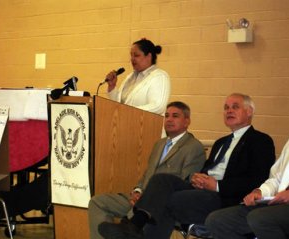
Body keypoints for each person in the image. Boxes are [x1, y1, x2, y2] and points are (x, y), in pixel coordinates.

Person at [98, 93, 276, 239]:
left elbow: (257, 179)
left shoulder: (260, 141)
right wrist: (195, 177)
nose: (229, 111)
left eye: (235, 107)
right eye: (226, 108)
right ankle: (133, 226)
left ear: (250, 111)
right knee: (161, 180)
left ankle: (133, 228)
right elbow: (206, 169)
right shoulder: (221, 142)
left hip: (224, 197)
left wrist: (217, 185)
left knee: (169, 200)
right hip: (202, 190)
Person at [88, 101, 205, 239]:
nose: (169, 119)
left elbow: (185, 184)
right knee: (97, 202)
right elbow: (147, 174)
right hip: (140, 198)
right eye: (167, 116)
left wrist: (148, 198)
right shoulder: (159, 144)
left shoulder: (193, 147)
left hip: (159, 206)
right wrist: (137, 191)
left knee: (138, 216)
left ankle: (129, 226)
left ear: (187, 121)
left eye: (175, 116)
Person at [205, 86, 289, 239]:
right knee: (217, 220)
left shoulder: (261, 141)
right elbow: (276, 177)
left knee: (260, 219)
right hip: (279, 203)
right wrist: (261, 191)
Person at [105, 38, 170, 115]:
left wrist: (128, 111)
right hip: (125, 124)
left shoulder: (159, 76)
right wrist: (112, 87)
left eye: (136, 55)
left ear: (149, 56)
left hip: (147, 125)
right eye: (131, 55)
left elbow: (158, 107)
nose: (132, 59)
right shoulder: (130, 77)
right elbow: (120, 104)